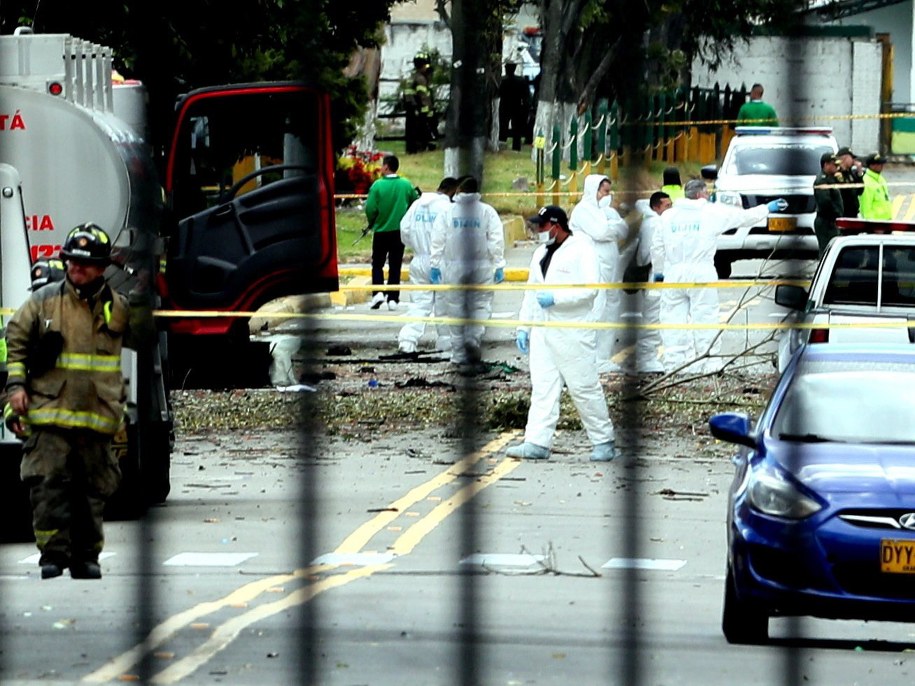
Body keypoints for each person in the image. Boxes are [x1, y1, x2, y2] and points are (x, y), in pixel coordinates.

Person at [5, 223, 148, 580]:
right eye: (71, 260)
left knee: (93, 490)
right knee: (47, 483)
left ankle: (87, 557)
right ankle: (52, 555)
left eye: (84, 263)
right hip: (49, 413)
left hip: (97, 415)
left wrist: (146, 300)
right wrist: (16, 387)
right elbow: (15, 342)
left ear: (101, 268)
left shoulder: (118, 307)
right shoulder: (43, 301)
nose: (75, 268)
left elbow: (144, 338)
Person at [505, 205, 616, 462]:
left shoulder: (582, 250)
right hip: (543, 331)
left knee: (584, 386)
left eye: (542, 226)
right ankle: (536, 441)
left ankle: (603, 440)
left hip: (572, 330)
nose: (538, 231)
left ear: (556, 226)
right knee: (543, 387)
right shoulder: (540, 253)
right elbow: (532, 293)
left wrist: (556, 298)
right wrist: (524, 326)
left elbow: (590, 290)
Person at [651, 180, 786, 373]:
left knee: (673, 320)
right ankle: (709, 363)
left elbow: (657, 247)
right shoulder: (711, 212)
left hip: (673, 274)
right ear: (700, 194)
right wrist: (767, 208)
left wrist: (659, 271)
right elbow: (743, 217)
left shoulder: (668, 216)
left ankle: (675, 365)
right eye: (706, 193)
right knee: (705, 318)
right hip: (701, 273)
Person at [429, 176, 505, 367]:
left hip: (454, 267)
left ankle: (458, 353)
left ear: (459, 191)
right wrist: (498, 264)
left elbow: (437, 240)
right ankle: (473, 339)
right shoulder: (487, 211)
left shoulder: (448, 212)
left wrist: (435, 264)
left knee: (455, 309)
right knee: (481, 305)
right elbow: (496, 241)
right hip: (481, 268)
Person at [569, 174, 629, 373]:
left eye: (609, 192)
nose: (607, 196)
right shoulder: (583, 211)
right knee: (596, 310)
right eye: (604, 191)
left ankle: (603, 357)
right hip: (593, 268)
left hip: (611, 269)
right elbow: (600, 232)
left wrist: (610, 227)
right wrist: (611, 228)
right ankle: (588, 358)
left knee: (611, 311)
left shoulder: (608, 212)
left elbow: (624, 229)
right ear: (593, 190)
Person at [396, 176, 459, 354]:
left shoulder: (417, 205)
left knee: (418, 304)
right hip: (442, 262)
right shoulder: (448, 209)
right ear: (452, 192)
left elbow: (404, 230)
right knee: (444, 305)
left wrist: (418, 246)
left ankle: (407, 341)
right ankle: (446, 342)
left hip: (419, 260)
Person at [619, 191, 672, 374]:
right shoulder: (654, 224)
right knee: (653, 318)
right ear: (656, 207)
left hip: (656, 275)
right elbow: (647, 255)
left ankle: (648, 358)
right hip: (655, 276)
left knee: (656, 318)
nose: (670, 209)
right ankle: (646, 359)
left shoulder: (653, 222)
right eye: (666, 205)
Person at [365, 154, 419, 310]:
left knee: (378, 263)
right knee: (395, 264)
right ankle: (393, 298)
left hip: (381, 231)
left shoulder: (377, 186)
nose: (380, 168)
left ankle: (377, 293)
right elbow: (415, 202)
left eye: (382, 165)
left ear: (386, 167)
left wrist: (372, 221)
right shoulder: (406, 184)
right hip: (399, 232)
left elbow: (370, 208)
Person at [403, 51, 436, 154]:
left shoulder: (411, 78)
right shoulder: (421, 79)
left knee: (411, 132)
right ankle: (420, 148)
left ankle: (411, 149)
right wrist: (428, 111)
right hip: (420, 111)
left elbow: (407, 96)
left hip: (411, 110)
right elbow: (423, 97)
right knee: (420, 131)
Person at [813, 151, 844, 257]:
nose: (836, 167)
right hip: (826, 222)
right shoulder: (822, 180)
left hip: (831, 221)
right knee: (826, 252)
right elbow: (825, 202)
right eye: (834, 165)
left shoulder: (831, 178)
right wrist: (837, 212)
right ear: (826, 165)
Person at [498, 62, 531, 152]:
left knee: (503, 127)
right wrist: (526, 107)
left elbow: (499, 93)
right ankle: (516, 147)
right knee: (516, 129)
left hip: (505, 106)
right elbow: (526, 96)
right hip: (516, 107)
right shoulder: (521, 81)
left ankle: (502, 145)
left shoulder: (503, 80)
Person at [860, 152, 893, 220]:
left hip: (886, 220)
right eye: (879, 164)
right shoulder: (866, 182)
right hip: (876, 223)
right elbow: (866, 207)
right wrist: (870, 223)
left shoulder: (881, 179)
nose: (882, 166)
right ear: (872, 166)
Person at [835, 146, 864, 218]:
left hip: (853, 213)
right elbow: (846, 193)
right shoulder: (838, 173)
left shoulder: (850, 173)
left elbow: (860, 191)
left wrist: (860, 173)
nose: (853, 161)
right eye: (852, 158)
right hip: (844, 213)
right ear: (845, 158)